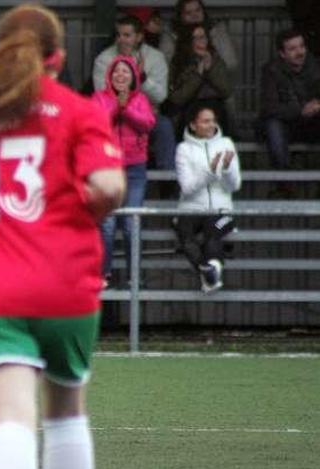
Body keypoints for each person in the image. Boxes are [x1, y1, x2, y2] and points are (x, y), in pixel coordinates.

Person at [0, 4, 125, 469]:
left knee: (11, 420)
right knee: (65, 413)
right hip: (65, 282)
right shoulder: (79, 111)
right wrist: (80, 206)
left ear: (1, 53)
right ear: (56, 57)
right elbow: (109, 185)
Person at [92, 56, 155, 287]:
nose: (120, 75)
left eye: (125, 72)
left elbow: (147, 124)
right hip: (107, 167)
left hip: (135, 168)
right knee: (107, 223)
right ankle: (103, 273)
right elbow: (95, 124)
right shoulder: (99, 98)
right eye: (116, 72)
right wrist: (116, 108)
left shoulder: (140, 99)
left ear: (133, 77)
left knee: (131, 223)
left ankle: (134, 276)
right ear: (109, 75)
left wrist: (126, 108)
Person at [93, 15, 174, 171]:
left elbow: (161, 96)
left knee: (164, 126)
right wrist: (129, 83)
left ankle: (168, 184)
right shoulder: (103, 59)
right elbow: (100, 95)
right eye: (118, 35)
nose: (121, 39)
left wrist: (141, 78)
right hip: (113, 116)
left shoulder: (155, 57)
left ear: (139, 37)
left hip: (146, 115)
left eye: (127, 35)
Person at [173, 104, 240, 293]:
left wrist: (226, 169)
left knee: (213, 234)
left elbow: (234, 185)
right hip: (190, 210)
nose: (210, 125)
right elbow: (187, 188)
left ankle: (209, 276)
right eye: (205, 121)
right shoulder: (183, 149)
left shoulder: (226, 143)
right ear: (193, 125)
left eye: (213, 120)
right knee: (185, 236)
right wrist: (210, 172)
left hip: (222, 213)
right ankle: (210, 274)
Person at [259, 29, 320, 171]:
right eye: (293, 49)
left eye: (302, 46)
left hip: (313, 123)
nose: (300, 52)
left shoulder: (316, 67)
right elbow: (269, 107)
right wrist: (301, 110)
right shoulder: (271, 70)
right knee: (272, 125)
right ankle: (284, 183)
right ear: (282, 53)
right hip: (286, 123)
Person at [166, 24, 233, 136]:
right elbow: (177, 98)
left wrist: (210, 69)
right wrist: (198, 75)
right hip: (187, 109)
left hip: (214, 106)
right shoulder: (178, 62)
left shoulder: (216, 59)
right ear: (188, 41)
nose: (200, 41)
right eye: (195, 38)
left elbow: (226, 90)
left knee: (216, 113)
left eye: (203, 37)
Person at [160, 0, 238, 72]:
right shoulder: (172, 34)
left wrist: (210, 62)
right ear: (181, 16)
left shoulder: (216, 30)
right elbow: (163, 65)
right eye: (188, 13)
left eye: (198, 10)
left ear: (203, 11)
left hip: (212, 80)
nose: (194, 15)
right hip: (183, 81)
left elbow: (231, 62)